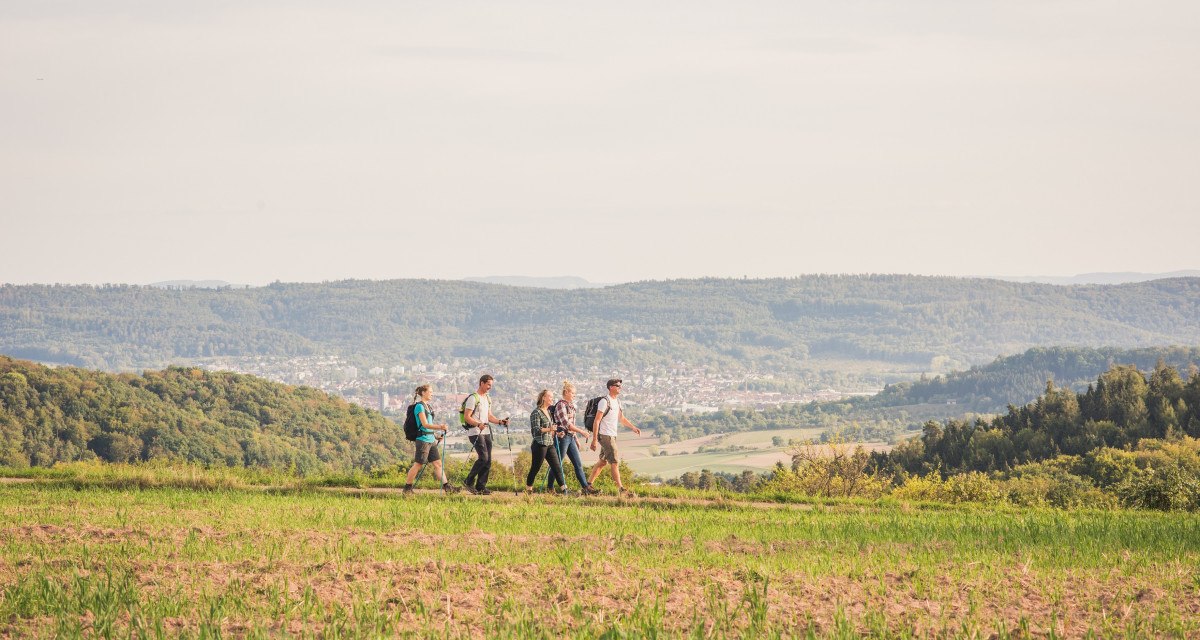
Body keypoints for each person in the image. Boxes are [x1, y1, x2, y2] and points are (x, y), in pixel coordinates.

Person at [587, 378, 641, 497]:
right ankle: (621, 489)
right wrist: (594, 439)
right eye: (617, 386)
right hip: (605, 435)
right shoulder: (605, 401)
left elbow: (621, 419)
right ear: (611, 387)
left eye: (620, 386)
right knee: (615, 462)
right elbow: (597, 421)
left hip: (612, 435)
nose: (620, 388)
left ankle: (588, 485)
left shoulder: (617, 402)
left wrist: (633, 427)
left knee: (602, 462)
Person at [403, 385, 458, 494]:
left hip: (430, 439)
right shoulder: (419, 406)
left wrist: (436, 436)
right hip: (422, 440)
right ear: (423, 392)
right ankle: (407, 488)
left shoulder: (428, 406)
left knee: (438, 464)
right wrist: (440, 427)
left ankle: (447, 487)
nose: (432, 394)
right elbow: (425, 424)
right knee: (418, 464)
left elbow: (428, 426)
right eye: (430, 392)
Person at [461, 374, 510, 495]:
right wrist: (478, 424)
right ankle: (468, 481)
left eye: (491, 385)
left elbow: (489, 416)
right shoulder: (473, 398)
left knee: (488, 460)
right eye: (488, 384)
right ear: (481, 383)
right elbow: (467, 417)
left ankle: (481, 486)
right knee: (483, 457)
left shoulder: (487, 398)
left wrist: (500, 421)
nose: (490, 387)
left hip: (486, 431)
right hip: (475, 431)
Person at [546, 380, 597, 495]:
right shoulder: (561, 405)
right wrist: (581, 432)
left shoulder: (571, 406)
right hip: (562, 438)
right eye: (573, 393)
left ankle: (586, 488)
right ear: (566, 392)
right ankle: (550, 488)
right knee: (557, 463)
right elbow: (566, 424)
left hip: (570, 438)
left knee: (578, 464)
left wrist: (576, 438)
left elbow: (571, 424)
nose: (574, 395)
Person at [525, 389, 568, 494]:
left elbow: (550, 429)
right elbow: (536, 430)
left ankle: (565, 491)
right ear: (543, 398)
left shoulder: (548, 412)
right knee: (535, 468)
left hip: (550, 443)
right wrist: (550, 429)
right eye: (550, 396)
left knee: (557, 467)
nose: (552, 399)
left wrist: (557, 433)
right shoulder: (536, 412)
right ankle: (528, 490)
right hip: (540, 444)